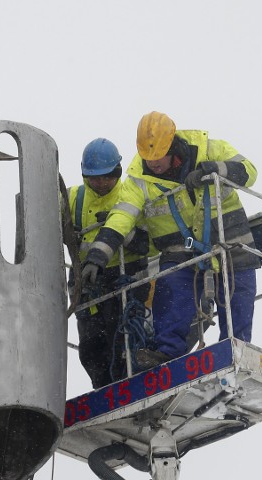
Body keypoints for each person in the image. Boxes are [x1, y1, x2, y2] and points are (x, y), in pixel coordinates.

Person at [81, 112, 260, 370]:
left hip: (229, 237)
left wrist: (213, 169)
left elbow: (250, 171)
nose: (153, 164)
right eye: (147, 158)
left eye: (158, 157)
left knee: (237, 294)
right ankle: (166, 354)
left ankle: (236, 351)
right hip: (181, 247)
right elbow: (122, 216)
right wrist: (98, 255)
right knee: (172, 287)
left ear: (172, 145)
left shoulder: (208, 148)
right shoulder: (138, 180)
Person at [67, 138, 151, 388]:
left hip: (124, 278)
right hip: (88, 282)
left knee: (121, 340)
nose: (100, 183)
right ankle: (103, 390)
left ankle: (125, 386)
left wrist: (123, 232)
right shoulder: (73, 198)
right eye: (94, 178)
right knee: (91, 348)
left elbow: (150, 244)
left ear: (117, 172)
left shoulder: (132, 196)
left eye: (106, 177)